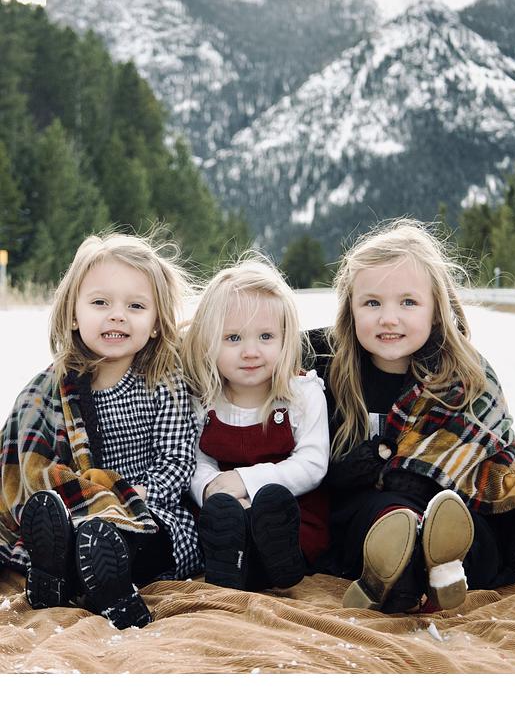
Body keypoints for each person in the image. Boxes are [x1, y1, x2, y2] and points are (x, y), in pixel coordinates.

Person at [308, 219, 515, 613]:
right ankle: (406, 571)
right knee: (384, 516)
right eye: (372, 303)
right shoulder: (325, 367)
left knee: (467, 523)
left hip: (447, 504)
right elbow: (259, 352)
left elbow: (490, 465)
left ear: (437, 310)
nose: (388, 318)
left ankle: (441, 564)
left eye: (408, 302)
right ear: (350, 309)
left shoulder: (465, 376)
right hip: (369, 515)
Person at [0, 232, 203, 629]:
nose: (117, 315)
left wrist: (138, 495)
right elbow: (32, 463)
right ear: (74, 315)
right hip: (80, 507)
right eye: (100, 303)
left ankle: (102, 578)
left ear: (156, 323)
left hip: (149, 508)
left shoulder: (164, 380)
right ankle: (60, 570)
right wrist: (85, 501)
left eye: (136, 306)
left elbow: (177, 460)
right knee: (77, 531)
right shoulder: (51, 389)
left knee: (150, 538)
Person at [182, 258, 329, 592]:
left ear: (285, 338)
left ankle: (276, 562)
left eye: (265, 336)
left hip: (288, 511)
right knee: (222, 525)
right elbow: (195, 460)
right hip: (224, 513)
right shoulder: (203, 399)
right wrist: (212, 490)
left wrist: (246, 482)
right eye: (233, 338)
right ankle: (235, 564)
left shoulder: (301, 394)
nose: (250, 352)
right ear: (208, 341)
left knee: (274, 517)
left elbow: (312, 464)